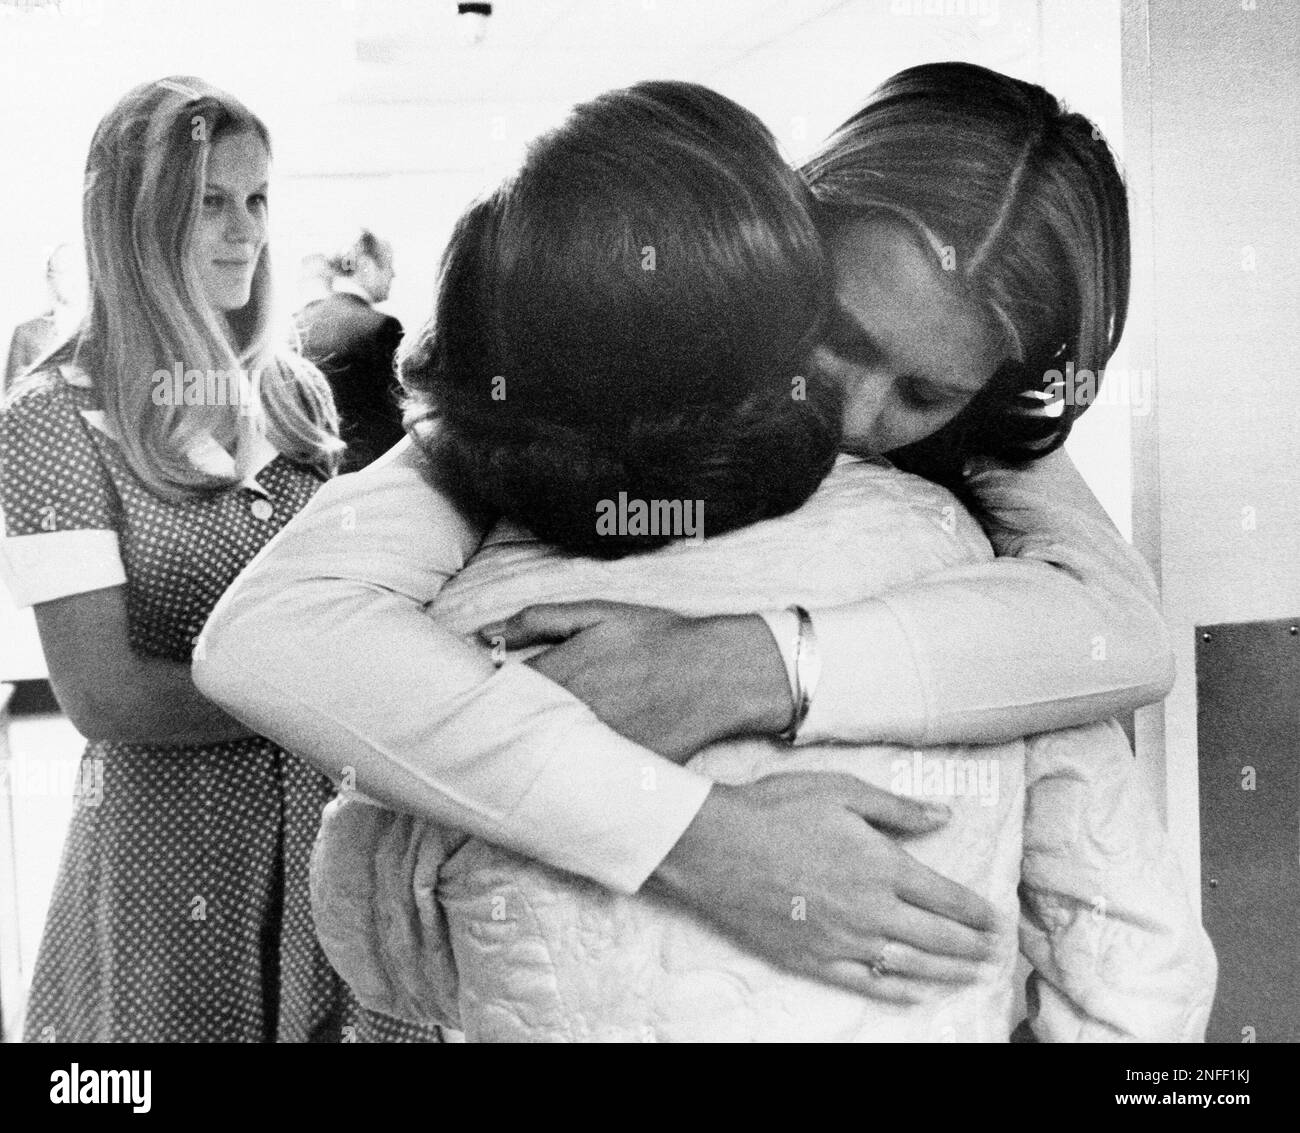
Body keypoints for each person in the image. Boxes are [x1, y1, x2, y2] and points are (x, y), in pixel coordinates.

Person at [194, 64, 1175, 1001]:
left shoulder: (983, 434)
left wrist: (749, 663)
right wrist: (699, 838)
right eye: (836, 331)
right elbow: (266, 637)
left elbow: (1123, 634)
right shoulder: (622, 338)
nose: (852, 407)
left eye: (923, 392)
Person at [0, 76, 418, 1042]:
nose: (247, 232)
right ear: (133, 218)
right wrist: (342, 696)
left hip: (333, 846)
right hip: (171, 859)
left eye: (259, 199)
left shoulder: (291, 394)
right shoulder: (50, 418)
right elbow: (105, 695)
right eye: (210, 203)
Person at [294, 229, 406, 472]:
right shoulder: (381, 327)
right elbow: (402, 411)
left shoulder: (298, 323)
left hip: (317, 470)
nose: (394, 275)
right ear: (365, 265)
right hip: (374, 471)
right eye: (388, 265)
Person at [4, 243, 87, 392]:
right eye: (64, 272)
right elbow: (12, 396)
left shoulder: (101, 329)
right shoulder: (28, 333)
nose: (73, 281)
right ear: (50, 278)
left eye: (78, 272)